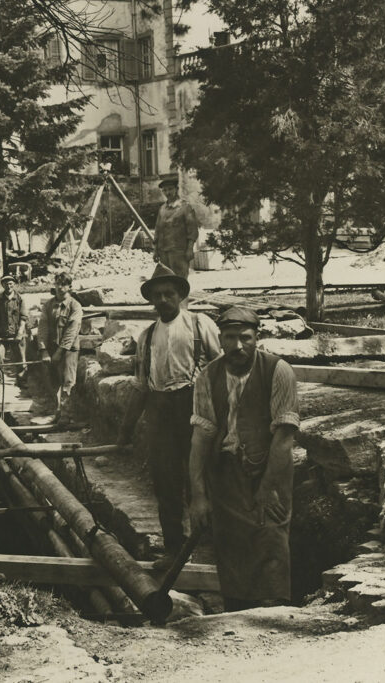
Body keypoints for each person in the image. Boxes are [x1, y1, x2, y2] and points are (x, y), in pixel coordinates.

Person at [188, 306, 299, 611]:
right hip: (226, 475)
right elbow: (201, 436)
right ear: (220, 339)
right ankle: (236, 618)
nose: (238, 346)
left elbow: (284, 436)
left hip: (270, 470)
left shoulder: (278, 371)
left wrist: (268, 486)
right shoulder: (207, 377)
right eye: (230, 338)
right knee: (231, 548)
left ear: (257, 337)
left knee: (271, 540)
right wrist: (198, 495)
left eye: (245, 338)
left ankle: (274, 617)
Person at [117, 263, 221, 569]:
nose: (163, 300)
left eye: (169, 294)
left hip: (195, 409)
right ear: (151, 300)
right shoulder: (146, 336)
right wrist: (125, 431)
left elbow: (222, 369)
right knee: (166, 483)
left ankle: (215, 551)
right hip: (161, 411)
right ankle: (175, 551)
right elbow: (141, 386)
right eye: (157, 295)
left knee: (202, 480)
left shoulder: (200, 325)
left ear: (180, 296)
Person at [36, 271, 82, 420]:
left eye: (64, 285)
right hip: (51, 347)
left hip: (69, 350)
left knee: (68, 382)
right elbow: (42, 328)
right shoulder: (48, 305)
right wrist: (43, 350)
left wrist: (60, 352)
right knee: (52, 381)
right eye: (58, 284)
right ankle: (57, 411)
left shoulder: (75, 306)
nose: (60, 287)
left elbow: (71, 331)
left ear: (69, 287)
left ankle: (67, 415)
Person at [153, 175, 200, 279]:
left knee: (180, 279)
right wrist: (155, 250)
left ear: (176, 189)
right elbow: (158, 230)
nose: (168, 193)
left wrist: (190, 249)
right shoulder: (162, 209)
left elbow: (192, 230)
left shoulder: (185, 207)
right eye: (164, 190)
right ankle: (171, 296)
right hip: (163, 251)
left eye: (170, 189)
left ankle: (182, 296)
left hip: (179, 251)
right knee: (167, 279)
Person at [0, 274, 28, 384]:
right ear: (2, 285)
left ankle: (22, 380)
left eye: (11, 283)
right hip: (2, 335)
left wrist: (20, 332)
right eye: (6, 284)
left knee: (21, 358)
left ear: (14, 285)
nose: (8, 286)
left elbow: (23, 317)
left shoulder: (19, 299)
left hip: (17, 334)